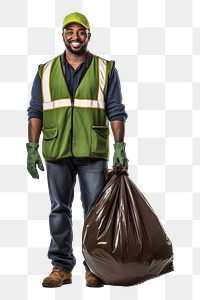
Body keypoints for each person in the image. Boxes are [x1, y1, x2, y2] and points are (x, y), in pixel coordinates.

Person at [26, 12, 128, 288]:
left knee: (95, 210)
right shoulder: (45, 71)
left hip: (92, 150)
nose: (75, 36)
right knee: (59, 208)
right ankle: (61, 267)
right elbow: (36, 111)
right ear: (63, 36)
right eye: (69, 31)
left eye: (80, 32)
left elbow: (116, 109)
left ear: (88, 36)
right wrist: (31, 147)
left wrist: (119, 146)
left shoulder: (105, 69)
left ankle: (94, 266)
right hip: (57, 149)